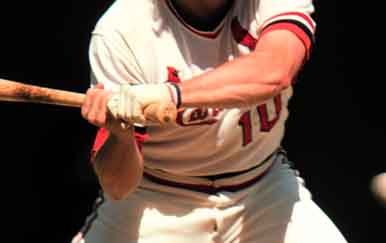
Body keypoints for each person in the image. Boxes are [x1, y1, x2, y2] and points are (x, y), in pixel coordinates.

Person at [73, 0, 348, 242]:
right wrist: (120, 135)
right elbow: (119, 186)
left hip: (262, 187)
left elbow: (274, 71)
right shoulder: (119, 30)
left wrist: (169, 93)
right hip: (156, 197)